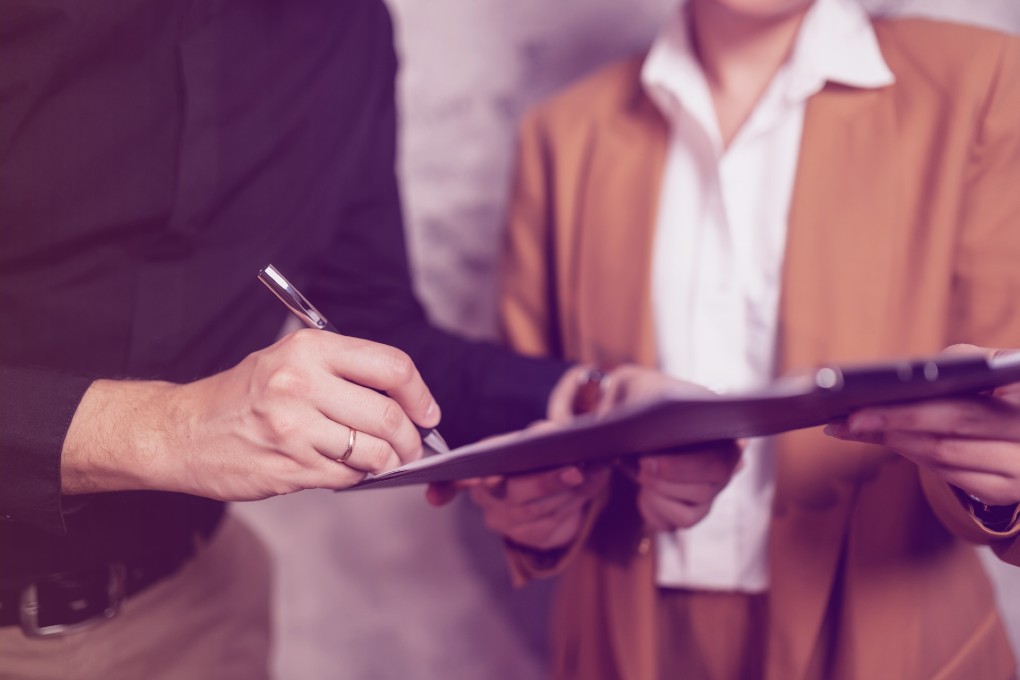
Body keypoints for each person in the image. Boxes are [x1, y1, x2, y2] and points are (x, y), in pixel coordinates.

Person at [0, 0, 605, 676]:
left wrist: (583, 402)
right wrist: (170, 428)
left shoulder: (352, 30)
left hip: (198, 614)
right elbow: (186, 428)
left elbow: (378, 332)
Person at [462, 0, 1020, 678]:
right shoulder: (563, 135)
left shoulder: (985, 86)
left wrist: (999, 481)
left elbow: (1002, 404)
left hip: (894, 639)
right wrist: (536, 504)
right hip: (623, 640)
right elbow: (533, 420)